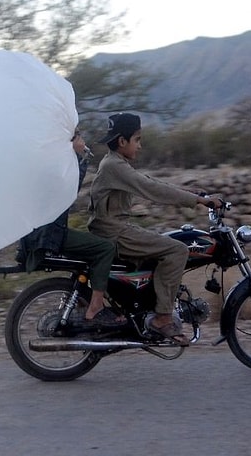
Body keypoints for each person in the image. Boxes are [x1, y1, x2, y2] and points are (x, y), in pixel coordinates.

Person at [87, 113, 222, 345]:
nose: (140, 145)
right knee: (178, 250)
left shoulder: (115, 163)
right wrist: (199, 201)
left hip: (113, 228)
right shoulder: (114, 166)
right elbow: (150, 188)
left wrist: (194, 195)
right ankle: (162, 318)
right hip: (113, 232)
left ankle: (145, 309)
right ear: (122, 141)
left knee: (162, 245)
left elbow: (151, 182)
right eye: (137, 139)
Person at [18, 128, 122, 327]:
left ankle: (83, 303)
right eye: (76, 136)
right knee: (105, 248)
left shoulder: (42, 161)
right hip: (49, 234)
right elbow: (68, 189)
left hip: (37, 233)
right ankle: (96, 307)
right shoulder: (56, 165)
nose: (81, 139)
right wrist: (78, 154)